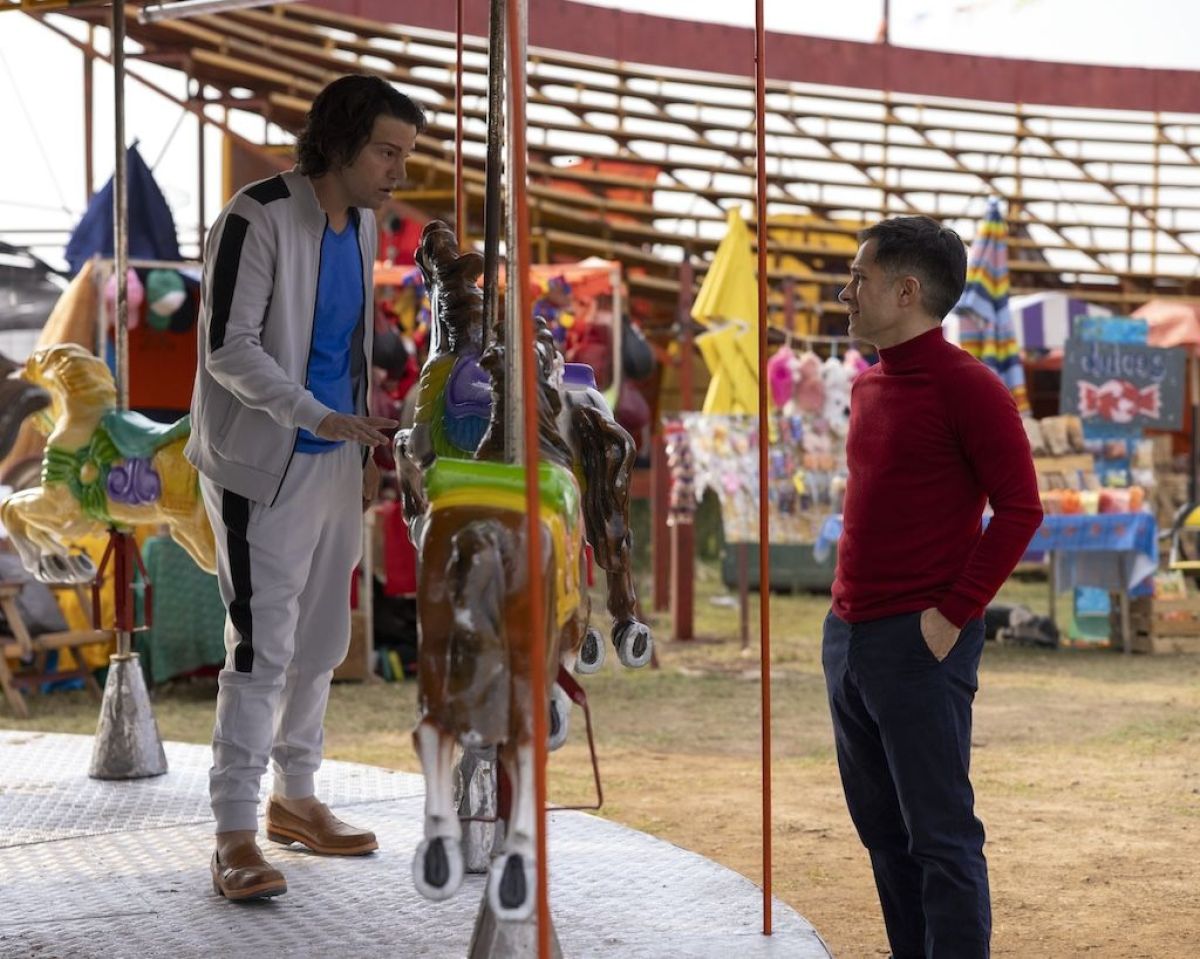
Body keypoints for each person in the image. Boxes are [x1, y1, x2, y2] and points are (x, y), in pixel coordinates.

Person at [185, 74, 425, 902]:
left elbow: (352, 345)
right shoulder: (254, 215)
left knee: (323, 637)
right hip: (262, 459)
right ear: (340, 140)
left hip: (332, 458)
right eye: (387, 151)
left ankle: (296, 797)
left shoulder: (361, 226)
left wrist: (351, 441)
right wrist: (315, 414)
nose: (398, 170)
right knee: (262, 647)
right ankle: (233, 832)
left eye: (405, 155)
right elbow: (228, 347)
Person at [823, 216, 1042, 957]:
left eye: (859, 278)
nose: (845, 292)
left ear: (906, 290)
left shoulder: (972, 389)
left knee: (941, 835)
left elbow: (1020, 509)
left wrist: (950, 616)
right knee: (883, 832)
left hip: (920, 642)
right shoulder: (867, 386)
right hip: (848, 637)